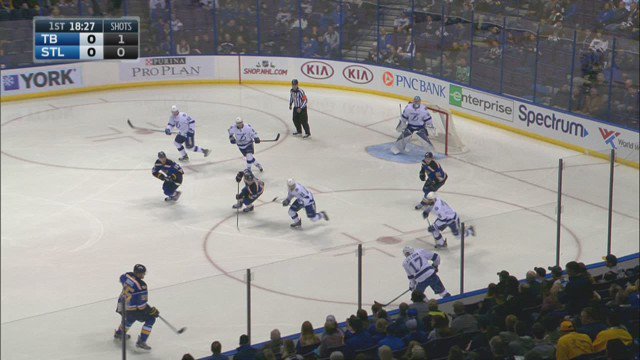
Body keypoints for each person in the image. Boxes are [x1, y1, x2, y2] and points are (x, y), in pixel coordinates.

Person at [113, 264, 159, 350]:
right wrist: (151, 311)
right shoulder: (142, 286)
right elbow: (141, 307)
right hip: (131, 309)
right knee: (151, 319)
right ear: (139, 274)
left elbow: (121, 278)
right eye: (142, 273)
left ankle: (119, 333)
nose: (143, 275)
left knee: (130, 318)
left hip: (121, 305)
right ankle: (141, 341)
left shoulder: (127, 275)